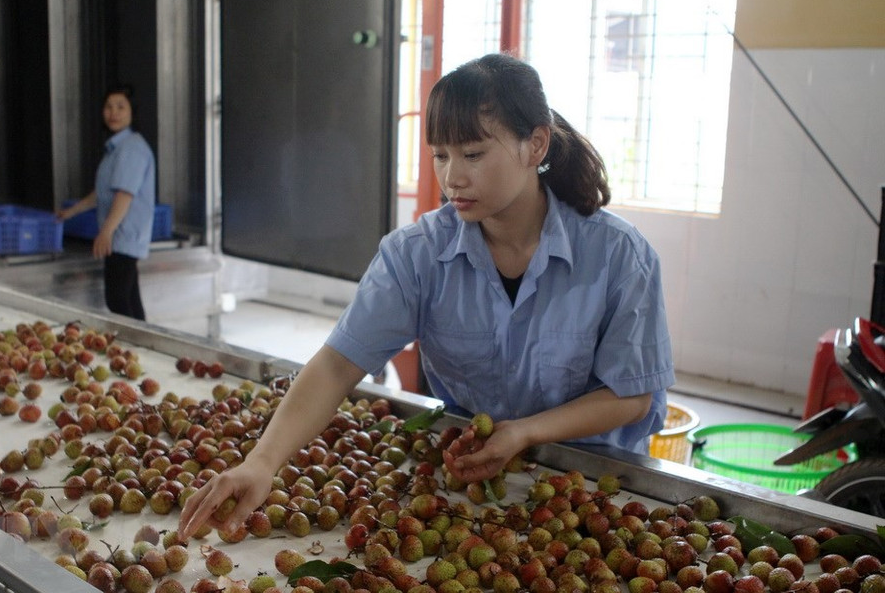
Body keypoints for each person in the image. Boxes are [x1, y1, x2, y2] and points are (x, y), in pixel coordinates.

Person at [177, 53, 674, 541]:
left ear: (535, 146)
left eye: (473, 154)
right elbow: (336, 366)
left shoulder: (616, 255)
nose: (453, 176)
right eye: (441, 154)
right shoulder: (416, 256)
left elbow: (631, 395)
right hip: (472, 488)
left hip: (596, 497)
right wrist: (262, 462)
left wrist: (525, 432)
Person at [58, 84, 156, 321]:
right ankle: (141, 348)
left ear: (133, 111)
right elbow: (104, 193)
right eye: (109, 107)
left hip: (122, 236)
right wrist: (72, 212)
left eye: (121, 107)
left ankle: (131, 351)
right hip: (121, 236)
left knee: (118, 300)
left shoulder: (131, 147)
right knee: (129, 300)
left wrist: (106, 232)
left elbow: (124, 194)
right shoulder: (117, 147)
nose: (114, 112)